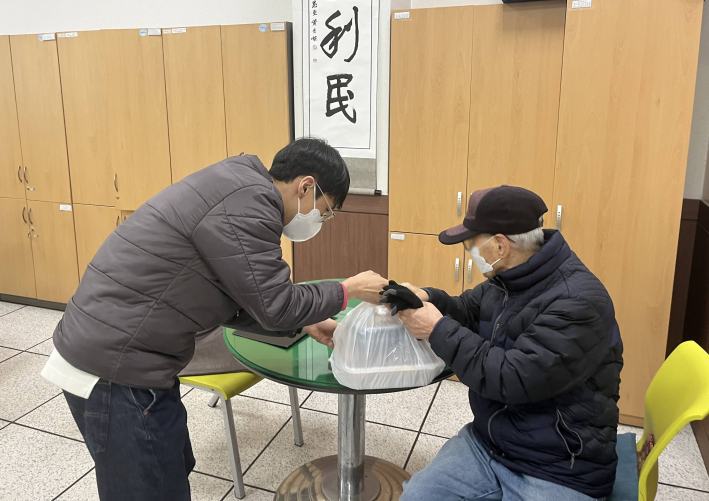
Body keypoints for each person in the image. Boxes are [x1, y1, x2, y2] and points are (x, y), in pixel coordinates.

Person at [41, 138, 388, 501]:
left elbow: (245, 299)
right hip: (117, 365)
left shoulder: (238, 184)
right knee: (150, 488)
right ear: (306, 186)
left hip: (122, 348)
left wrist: (304, 322)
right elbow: (276, 305)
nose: (321, 221)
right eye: (326, 211)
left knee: (169, 470)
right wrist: (348, 290)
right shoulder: (247, 205)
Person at [390, 186, 623, 501]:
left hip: (559, 464)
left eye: (472, 244)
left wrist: (436, 328)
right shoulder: (509, 278)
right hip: (491, 441)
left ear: (500, 245)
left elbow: (511, 378)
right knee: (416, 497)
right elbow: (469, 310)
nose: (470, 253)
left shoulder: (577, 301)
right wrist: (428, 297)